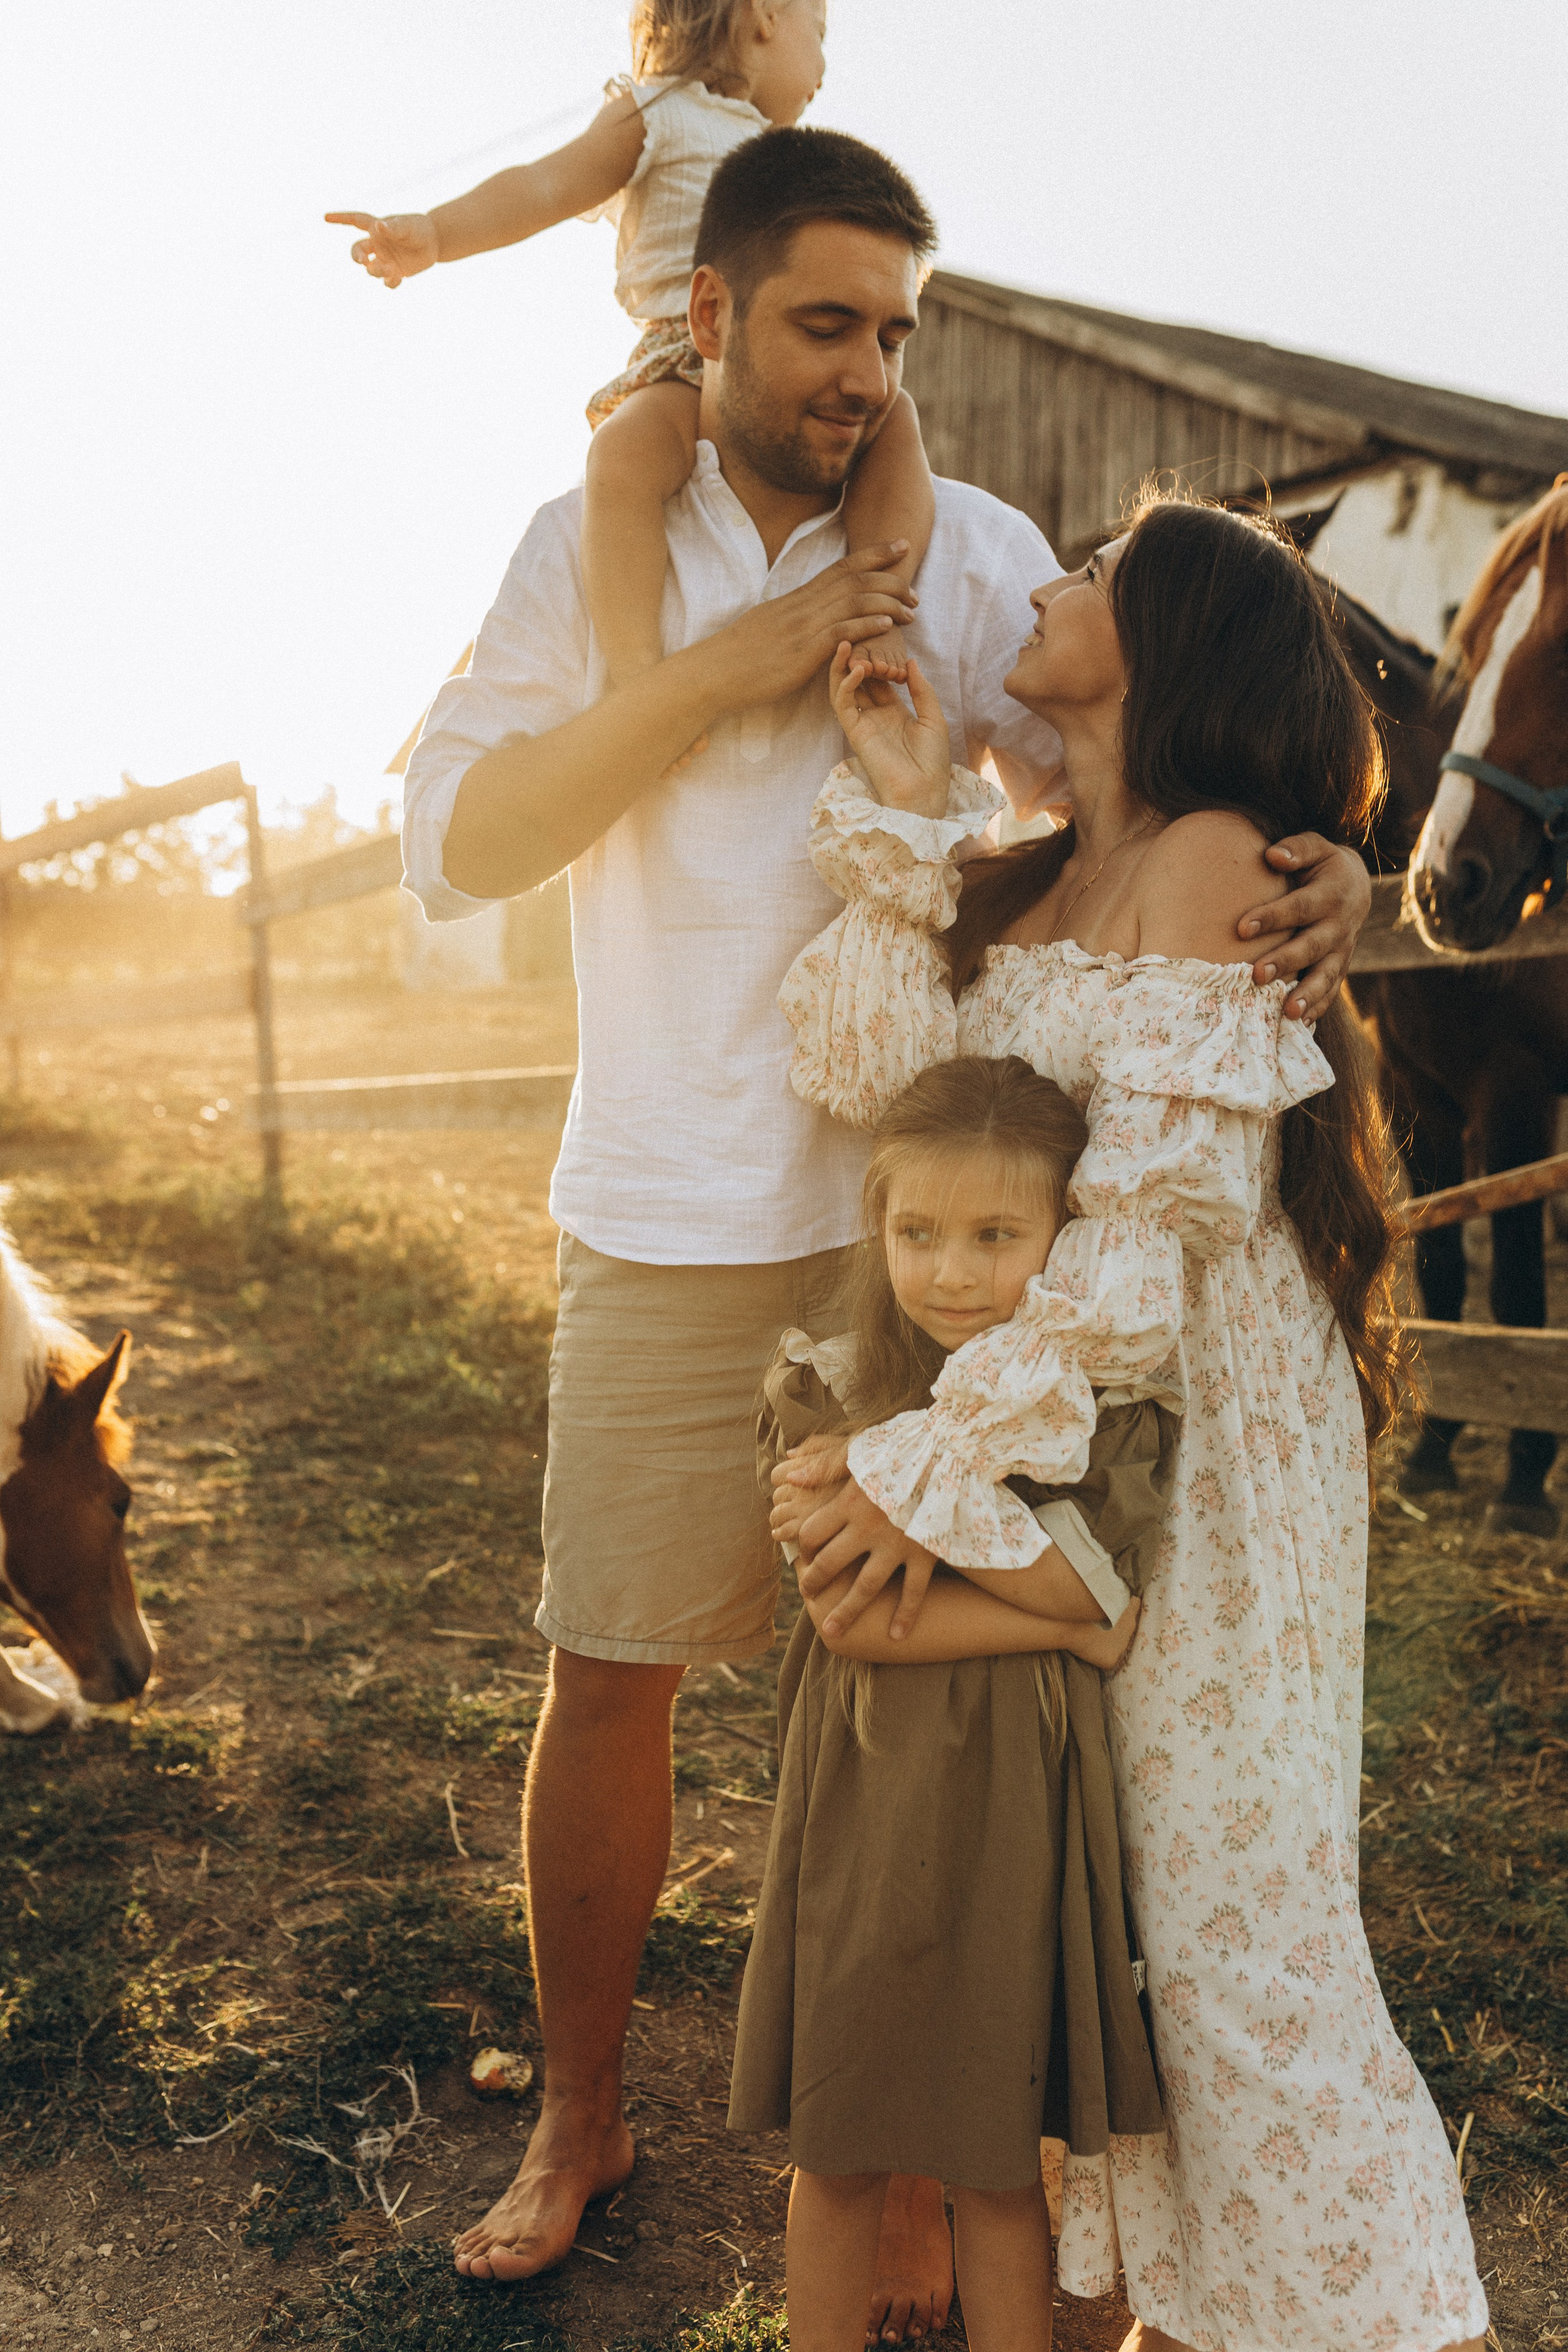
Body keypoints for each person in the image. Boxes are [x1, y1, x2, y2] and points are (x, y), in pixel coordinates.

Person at [399, 122, 1373, 2326]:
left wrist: (1307, 863)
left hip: (946, 1249)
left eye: (892, 334)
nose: (861, 372)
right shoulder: (583, 545)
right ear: (707, 313)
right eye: (822, 323)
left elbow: (1126, 795)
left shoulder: (976, 556)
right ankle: (580, 2111)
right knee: (612, 1662)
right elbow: (460, 840)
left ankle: (930, 2141)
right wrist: (717, 675)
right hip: (663, 1208)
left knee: (917, 1705)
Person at [778, 497, 1488, 2351]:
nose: (1044, 581)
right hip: (1069, 1422)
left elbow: (1141, 1240)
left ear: (1173, 637)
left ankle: (1380, 2316)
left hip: (1198, 1426)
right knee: (1103, 1902)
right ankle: (1160, 2314)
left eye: (1092, 574)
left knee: (1230, 1909)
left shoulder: (1210, 858)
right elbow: (868, 1078)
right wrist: (911, 810)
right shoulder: (1032, 871)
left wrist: (931, 1473)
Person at [730, 1051, 1169, 2352]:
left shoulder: (1082, 1408)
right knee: (839, 2140)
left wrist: (1058, 1588)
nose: (953, 1273)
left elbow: (1097, 1586)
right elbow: (850, 1616)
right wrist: (1073, 1624)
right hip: (865, 1793)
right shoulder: (831, 1386)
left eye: (996, 1236)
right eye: (916, 1231)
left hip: (1016, 1804)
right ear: (875, 1222)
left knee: (994, 2156)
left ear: (1064, 1240)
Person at [327, 1, 933, 703]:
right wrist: (438, 234)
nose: (823, 68)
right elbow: (544, 186)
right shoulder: (658, 113)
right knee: (620, 456)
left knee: (898, 422)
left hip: (772, 364)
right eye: (819, 35)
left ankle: (876, 602)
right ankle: (636, 672)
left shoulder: (790, 163)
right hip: (679, 358)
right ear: (765, 14)